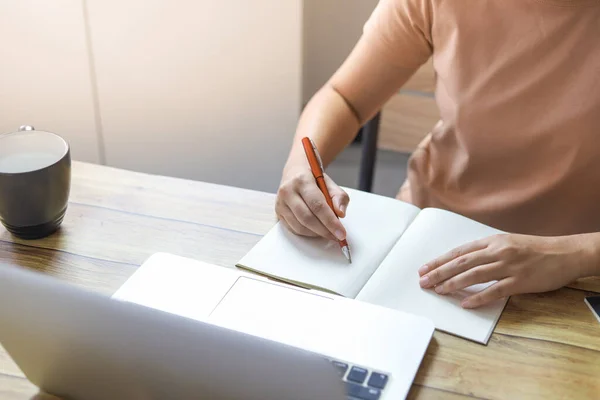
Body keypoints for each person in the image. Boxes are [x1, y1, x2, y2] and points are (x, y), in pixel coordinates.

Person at [275, 0, 600, 309]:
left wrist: (575, 254)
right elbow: (345, 97)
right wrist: (299, 168)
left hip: (574, 276)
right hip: (427, 240)